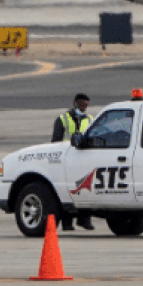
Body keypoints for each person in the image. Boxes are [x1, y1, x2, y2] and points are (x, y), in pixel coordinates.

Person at [51, 94, 94, 231]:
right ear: (75, 103)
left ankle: (84, 220)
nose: (84, 107)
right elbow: (56, 141)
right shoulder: (63, 119)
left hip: (84, 159)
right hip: (67, 159)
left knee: (84, 188)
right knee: (67, 190)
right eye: (82, 104)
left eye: (86, 104)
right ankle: (67, 223)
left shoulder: (90, 119)